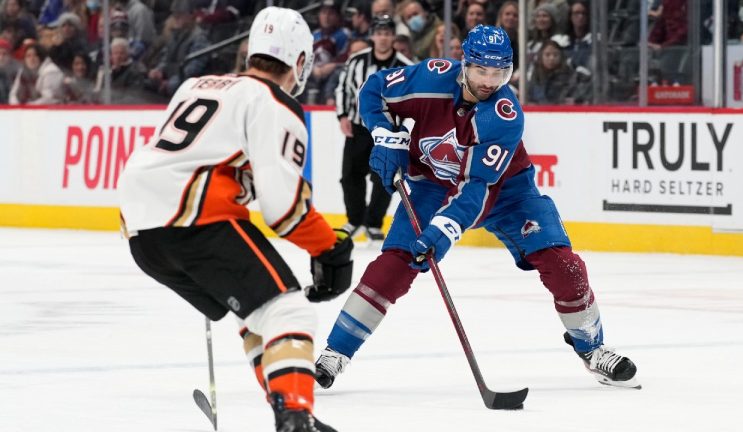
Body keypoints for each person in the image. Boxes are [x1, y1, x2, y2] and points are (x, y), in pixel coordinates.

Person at [314, 25, 640, 392]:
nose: (490, 81)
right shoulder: (431, 77)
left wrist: (444, 230)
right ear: (464, 64)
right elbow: (374, 89)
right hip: (432, 186)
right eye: (482, 70)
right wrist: (386, 135)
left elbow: (476, 188)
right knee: (392, 266)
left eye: (500, 72)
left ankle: (592, 348)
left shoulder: (504, 114)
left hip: (507, 192)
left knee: (563, 264)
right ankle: (335, 352)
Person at [118, 7, 353, 432]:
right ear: (300, 62)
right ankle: (295, 419)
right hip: (192, 218)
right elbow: (283, 210)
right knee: (290, 314)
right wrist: (330, 248)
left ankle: (290, 409)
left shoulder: (197, 85)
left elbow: (214, 163)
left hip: (140, 228)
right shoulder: (274, 102)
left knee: (258, 315)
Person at [335, 14, 413, 242]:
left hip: (388, 132)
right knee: (350, 176)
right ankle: (355, 219)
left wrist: (403, 125)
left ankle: (373, 223)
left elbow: (413, 98)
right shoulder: (356, 61)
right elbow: (342, 88)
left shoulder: (405, 67)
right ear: (372, 36)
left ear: (393, 37)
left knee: (384, 178)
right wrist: (342, 115)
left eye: (387, 33)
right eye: (379, 33)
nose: (383, 38)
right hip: (358, 128)